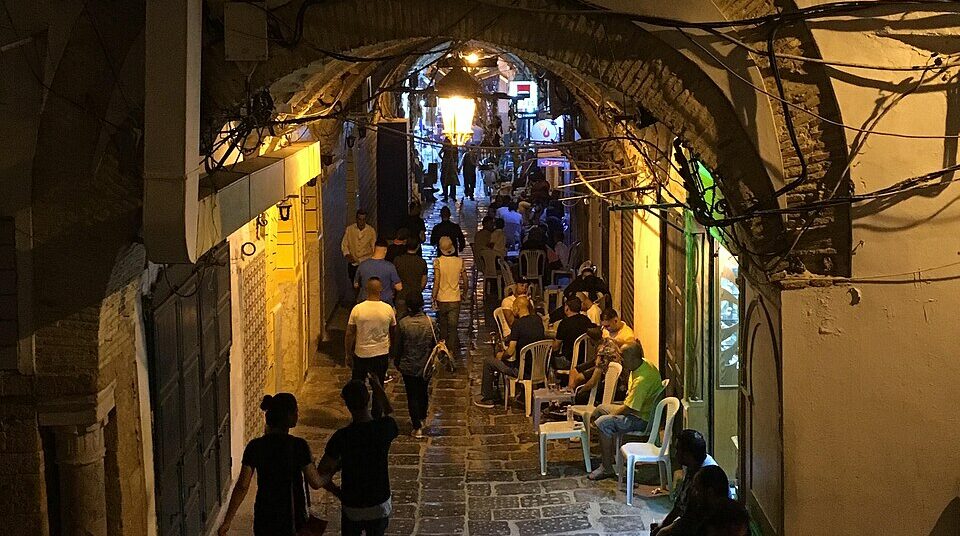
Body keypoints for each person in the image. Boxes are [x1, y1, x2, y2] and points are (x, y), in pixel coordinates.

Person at [218, 393, 323, 536]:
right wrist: (330, 474)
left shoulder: (254, 446)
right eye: (295, 411)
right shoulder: (299, 446)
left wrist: (227, 521)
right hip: (292, 519)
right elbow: (316, 482)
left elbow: (242, 486)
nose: (298, 415)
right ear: (289, 416)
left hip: (264, 517)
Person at [316, 378, 398, 536]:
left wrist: (339, 493)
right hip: (379, 501)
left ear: (347, 405)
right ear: (368, 399)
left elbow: (322, 471)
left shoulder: (342, 437)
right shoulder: (383, 429)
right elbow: (390, 414)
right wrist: (379, 389)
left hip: (352, 504)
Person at [588, 341, 663, 481]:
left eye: (623, 357)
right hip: (637, 409)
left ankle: (607, 468)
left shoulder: (642, 380)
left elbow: (629, 408)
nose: (621, 360)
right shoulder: (641, 364)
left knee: (603, 423)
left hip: (641, 419)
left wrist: (611, 416)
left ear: (633, 358)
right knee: (599, 409)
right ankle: (608, 455)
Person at [475, 296, 545, 408]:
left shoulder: (518, 324)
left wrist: (500, 355)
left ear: (517, 308)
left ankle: (487, 397)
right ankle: (522, 395)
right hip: (539, 368)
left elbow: (510, 351)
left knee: (489, 362)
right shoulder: (538, 320)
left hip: (522, 370)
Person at [650, 429, 720, 535]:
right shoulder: (693, 464)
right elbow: (680, 504)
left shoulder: (707, 474)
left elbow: (693, 517)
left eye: (678, 450)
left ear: (688, 454)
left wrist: (666, 529)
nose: (676, 454)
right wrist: (664, 524)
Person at [345, 278, 397, 417]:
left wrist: (348, 354)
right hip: (381, 353)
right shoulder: (388, 309)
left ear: (366, 290)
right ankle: (377, 414)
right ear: (381, 289)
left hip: (361, 353)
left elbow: (350, 333)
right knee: (378, 386)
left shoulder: (358, 309)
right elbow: (393, 331)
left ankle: (359, 413)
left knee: (358, 386)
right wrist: (392, 350)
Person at [394, 294, 435, 438]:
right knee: (423, 392)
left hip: (408, 364)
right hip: (425, 364)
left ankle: (416, 425)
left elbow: (398, 346)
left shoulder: (403, 324)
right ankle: (422, 418)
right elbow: (434, 344)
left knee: (411, 395)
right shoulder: (430, 322)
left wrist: (397, 361)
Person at [654, 465, 731, 536]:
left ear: (710, 492)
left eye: (697, 489)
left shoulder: (723, 521)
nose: (693, 493)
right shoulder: (698, 511)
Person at [570, 329, 626, 405]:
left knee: (581, 395)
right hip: (618, 381)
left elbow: (593, 381)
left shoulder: (602, 352)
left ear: (590, 340)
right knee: (575, 371)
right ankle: (570, 392)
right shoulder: (610, 342)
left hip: (613, 387)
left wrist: (580, 391)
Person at [432, 236, 467, 358]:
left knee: (443, 325)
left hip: (442, 298)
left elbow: (436, 281)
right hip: (455, 298)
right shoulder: (459, 261)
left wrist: (433, 296)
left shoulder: (438, 262)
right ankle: (451, 351)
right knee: (453, 327)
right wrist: (465, 293)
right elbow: (466, 281)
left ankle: (442, 348)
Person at [354, 239, 402, 305]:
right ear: (385, 251)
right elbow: (399, 287)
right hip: (385, 302)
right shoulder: (390, 267)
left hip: (365, 302)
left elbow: (356, 285)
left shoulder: (362, 265)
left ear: (374, 249)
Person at [552, 296, 595, 370]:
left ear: (567, 308)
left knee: (547, 357)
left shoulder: (564, 323)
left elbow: (556, 347)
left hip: (569, 360)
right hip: (585, 359)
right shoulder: (586, 320)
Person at [392, 238, 427, 320]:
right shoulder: (421, 262)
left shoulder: (398, 260)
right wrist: (419, 290)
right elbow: (424, 280)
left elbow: (393, 279)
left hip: (401, 296)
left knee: (400, 322)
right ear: (418, 247)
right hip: (416, 298)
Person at [342, 209, 376, 285]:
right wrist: (347, 255)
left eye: (363, 219)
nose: (361, 222)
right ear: (356, 219)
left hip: (366, 262)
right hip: (353, 263)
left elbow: (374, 247)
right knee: (353, 283)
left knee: (365, 284)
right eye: (360, 219)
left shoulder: (371, 231)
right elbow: (345, 244)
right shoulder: (349, 229)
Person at [439, 137, 459, 201]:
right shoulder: (454, 148)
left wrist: (443, 159)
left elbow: (440, 153)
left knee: (444, 181)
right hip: (452, 167)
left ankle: (446, 197)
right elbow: (456, 157)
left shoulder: (445, 147)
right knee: (452, 182)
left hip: (446, 166)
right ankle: (453, 196)